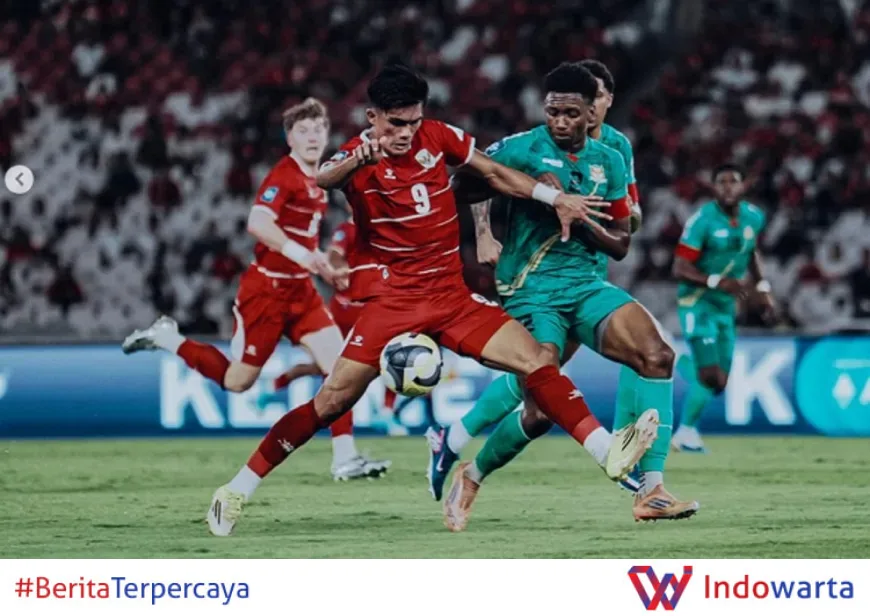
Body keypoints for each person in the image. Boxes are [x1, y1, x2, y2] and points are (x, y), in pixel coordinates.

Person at [204, 63, 659, 537]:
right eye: (396, 123)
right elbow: (324, 177)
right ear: (373, 117)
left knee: (537, 360)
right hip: (394, 301)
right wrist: (358, 159)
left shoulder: (438, 136)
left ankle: (607, 452)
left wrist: (552, 198)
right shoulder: (357, 156)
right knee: (331, 403)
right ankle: (236, 489)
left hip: (451, 297)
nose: (406, 133)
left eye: (413, 121)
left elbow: (493, 172)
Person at [432, 62, 698, 529]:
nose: (560, 122)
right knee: (539, 411)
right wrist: (534, 193)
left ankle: (652, 491)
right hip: (529, 289)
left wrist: (579, 217)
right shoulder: (521, 147)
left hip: (585, 283)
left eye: (571, 113)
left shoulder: (610, 158)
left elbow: (621, 242)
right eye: (553, 112)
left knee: (657, 355)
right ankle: (472, 474)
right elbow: (463, 184)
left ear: (591, 111)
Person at [121, 98, 389, 482]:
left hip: (302, 293)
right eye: (303, 131)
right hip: (265, 293)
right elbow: (258, 223)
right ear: (289, 139)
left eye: (318, 129)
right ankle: (169, 339)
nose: (313, 137)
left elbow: (303, 240)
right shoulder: (284, 175)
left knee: (340, 368)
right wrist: (305, 255)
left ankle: (345, 458)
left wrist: (322, 266)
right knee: (238, 381)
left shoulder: (319, 182)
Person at [670, 164, 777, 452]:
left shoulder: (754, 217)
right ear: (713, 187)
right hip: (697, 303)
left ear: (744, 186)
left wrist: (762, 286)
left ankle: (675, 362)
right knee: (709, 376)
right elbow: (679, 267)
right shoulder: (702, 221)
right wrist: (715, 281)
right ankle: (685, 433)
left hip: (725, 306)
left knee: (719, 383)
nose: (728, 186)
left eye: (733, 181)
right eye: (722, 182)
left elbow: (750, 251)